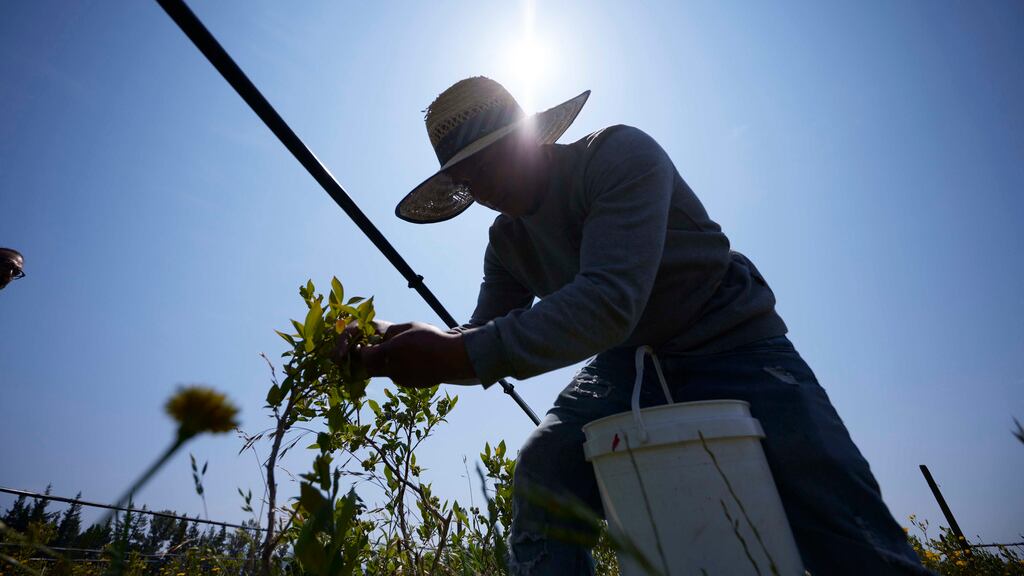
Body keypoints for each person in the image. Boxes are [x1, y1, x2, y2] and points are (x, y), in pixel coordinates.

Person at [338, 77, 931, 575]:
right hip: (628, 362)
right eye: (469, 179)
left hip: (732, 337)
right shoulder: (508, 243)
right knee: (546, 471)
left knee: (840, 515)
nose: (486, 189)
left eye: (491, 161)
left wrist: (454, 357)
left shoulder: (617, 156)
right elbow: (480, 334)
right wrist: (384, 335)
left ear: (528, 138)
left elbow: (607, 301)